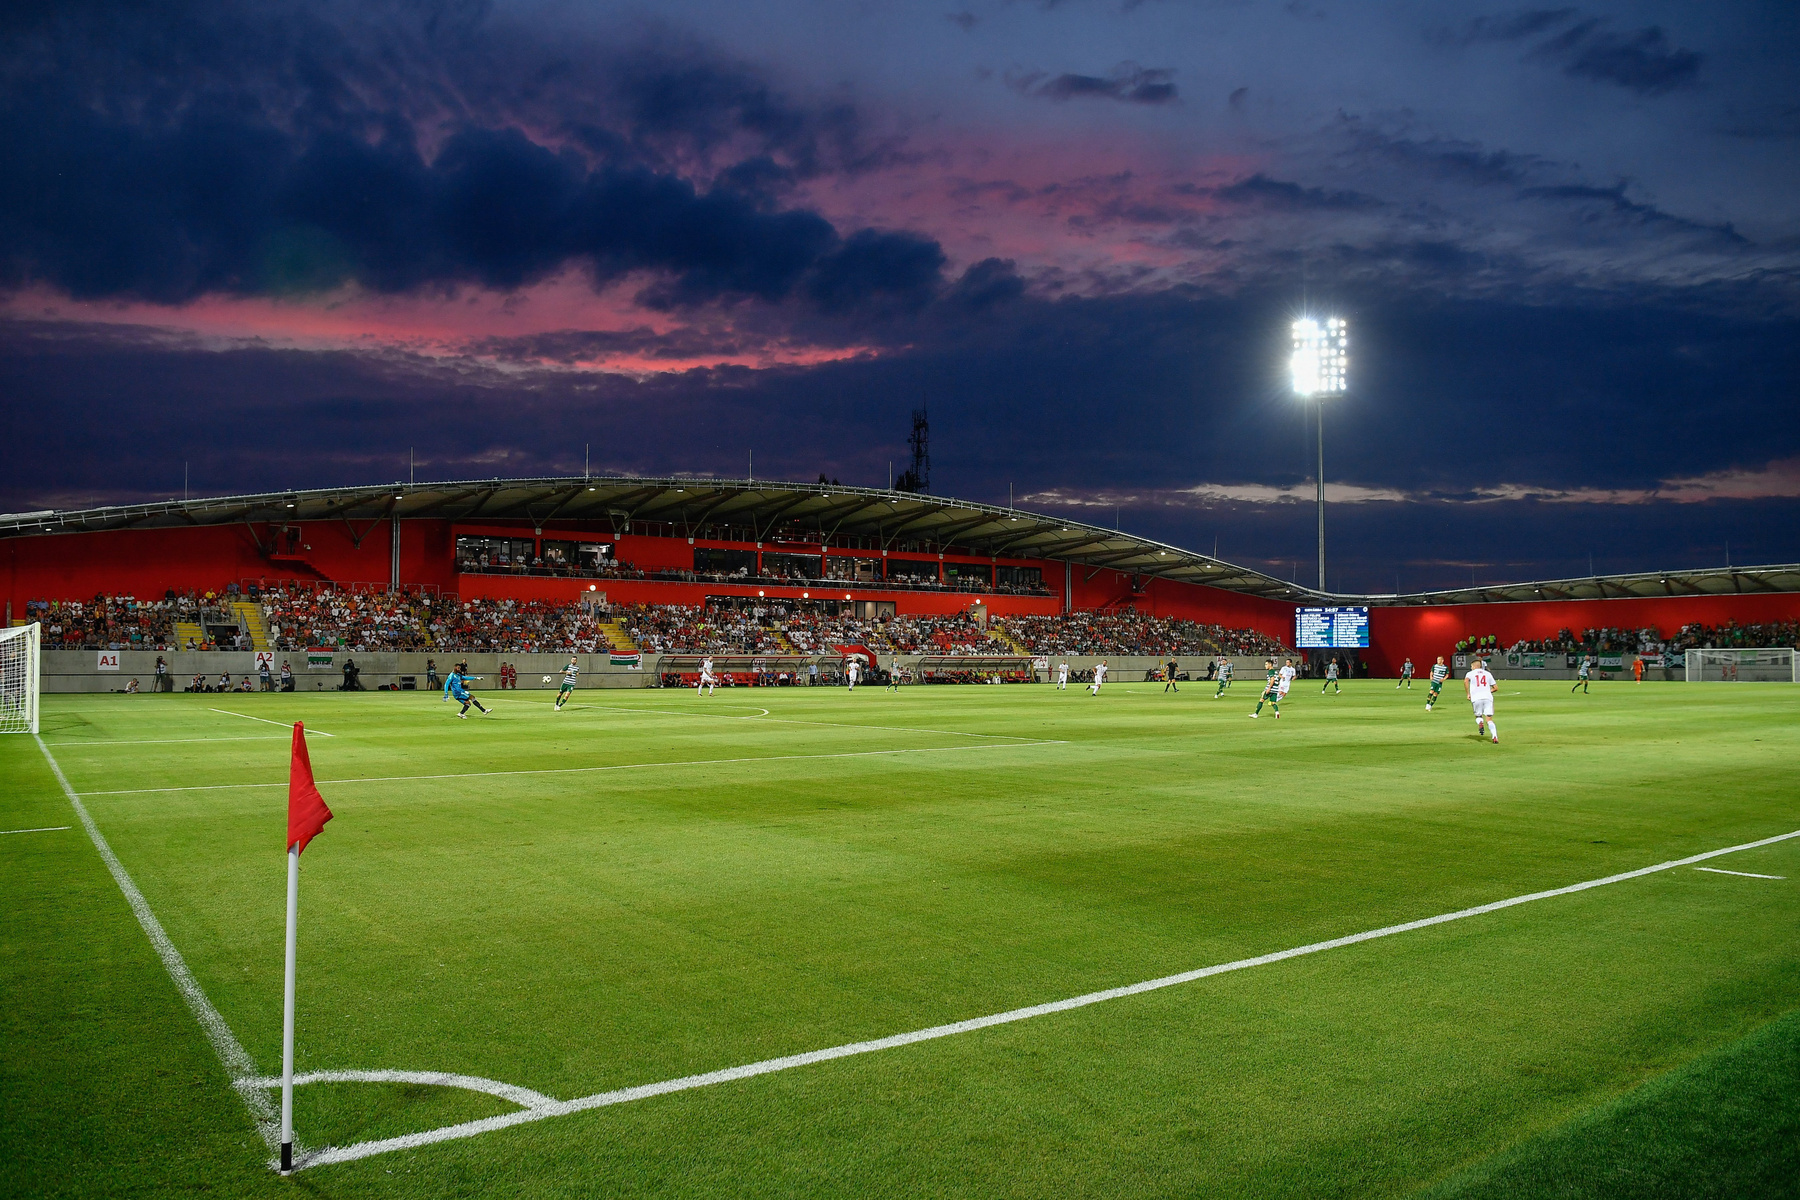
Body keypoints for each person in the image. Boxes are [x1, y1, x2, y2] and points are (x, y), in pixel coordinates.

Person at [1466, 657, 1499, 743]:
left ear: (1474, 666)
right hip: (1488, 697)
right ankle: (1494, 736)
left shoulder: (1470, 673)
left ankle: (1480, 722)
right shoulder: (1488, 674)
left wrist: (1468, 694)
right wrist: (1488, 691)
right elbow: (1496, 688)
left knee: (1478, 716)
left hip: (1476, 698)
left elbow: (1465, 681)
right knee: (1489, 719)